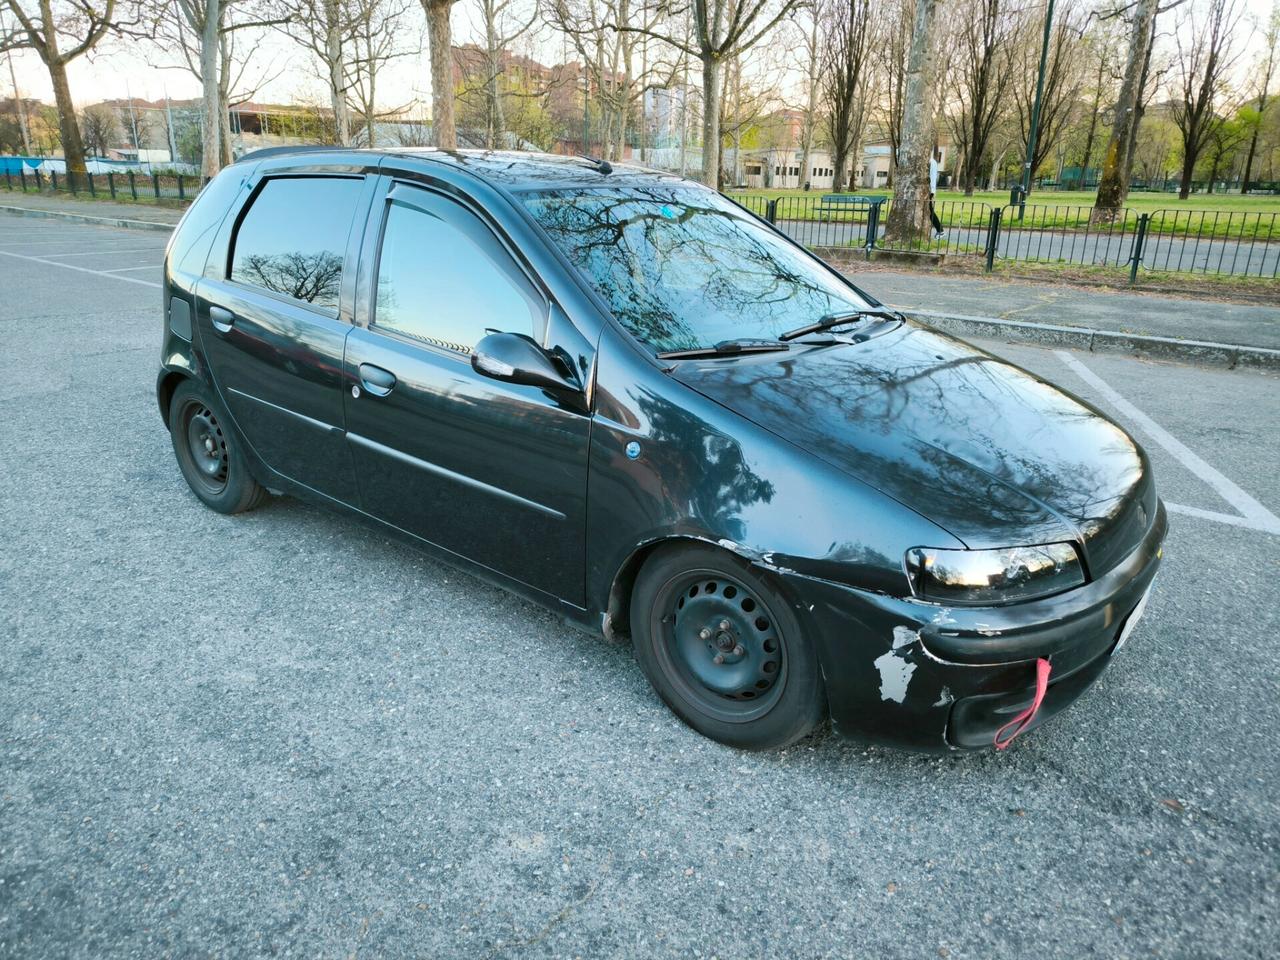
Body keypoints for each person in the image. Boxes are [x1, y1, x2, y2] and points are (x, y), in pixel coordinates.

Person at [928, 147, 945, 241]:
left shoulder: (931, 162)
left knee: (930, 211)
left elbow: (932, 177)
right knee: (929, 211)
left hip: (929, 190)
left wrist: (932, 191)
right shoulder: (932, 162)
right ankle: (940, 230)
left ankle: (940, 230)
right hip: (930, 190)